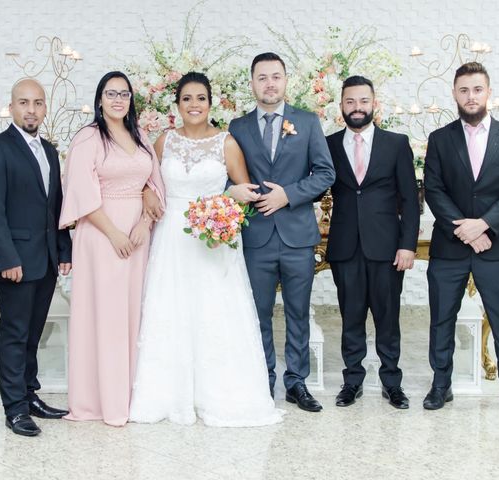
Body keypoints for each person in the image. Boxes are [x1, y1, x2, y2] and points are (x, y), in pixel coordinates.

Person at [129, 72, 282, 426]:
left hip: (212, 238)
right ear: (177, 105)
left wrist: (223, 201)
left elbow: (244, 191)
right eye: (187, 99)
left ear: (210, 103)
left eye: (200, 98)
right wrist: (147, 192)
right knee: (171, 311)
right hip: (171, 238)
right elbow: (146, 180)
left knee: (213, 310)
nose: (194, 105)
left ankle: (218, 392)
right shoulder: (164, 141)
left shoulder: (226, 143)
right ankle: (167, 393)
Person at [228, 53, 335, 412]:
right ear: (252, 83)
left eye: (276, 76)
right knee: (256, 312)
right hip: (255, 236)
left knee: (298, 312)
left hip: (297, 237)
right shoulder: (237, 127)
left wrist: (287, 195)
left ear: (286, 80)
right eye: (262, 77)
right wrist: (236, 191)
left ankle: (296, 383)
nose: (269, 83)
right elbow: (227, 175)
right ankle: (262, 379)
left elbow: (324, 173)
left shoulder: (307, 122)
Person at [59, 71, 164, 427]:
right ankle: (100, 401)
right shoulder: (88, 138)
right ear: (100, 99)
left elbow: (153, 183)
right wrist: (114, 234)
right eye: (111, 93)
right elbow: (80, 191)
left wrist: (144, 223)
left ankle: (133, 397)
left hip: (138, 235)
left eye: (124, 93)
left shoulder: (140, 135)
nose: (118, 99)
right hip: (101, 236)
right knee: (104, 316)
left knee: (133, 314)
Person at [423, 62, 499, 418]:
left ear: (488, 92)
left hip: (497, 246)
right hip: (449, 247)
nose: (471, 96)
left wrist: (483, 225)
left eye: (477, 89)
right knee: (441, 318)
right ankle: (440, 385)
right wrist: (463, 229)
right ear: (454, 93)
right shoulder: (439, 139)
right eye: (464, 90)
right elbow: (433, 190)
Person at [0, 79, 72, 436]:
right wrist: (5, 258)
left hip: (45, 260)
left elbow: (55, 205)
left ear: (45, 108)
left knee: (34, 334)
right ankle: (14, 408)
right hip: (15, 262)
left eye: (38, 103)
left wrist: (64, 250)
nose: (31, 110)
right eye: (23, 103)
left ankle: (30, 395)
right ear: (12, 107)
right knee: (14, 334)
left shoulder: (48, 150)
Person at [325, 75, 419, 409]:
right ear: (341, 106)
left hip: (387, 248)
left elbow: (410, 199)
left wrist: (408, 245)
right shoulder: (329, 144)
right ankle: (352, 382)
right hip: (345, 247)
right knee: (350, 317)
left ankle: (392, 383)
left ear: (374, 103)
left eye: (363, 101)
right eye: (350, 101)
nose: (357, 108)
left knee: (387, 317)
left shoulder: (396, 143)